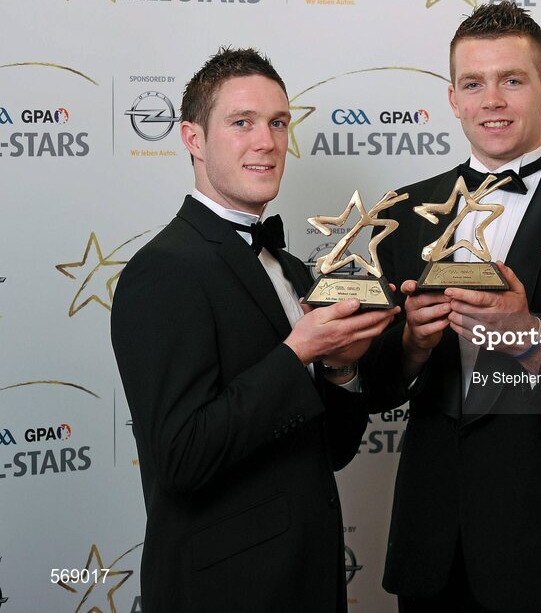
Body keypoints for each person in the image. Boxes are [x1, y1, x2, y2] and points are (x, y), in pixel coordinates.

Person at [360, 1, 541, 613]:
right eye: (475, 83)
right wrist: (413, 344)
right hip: (435, 549)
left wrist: (530, 338)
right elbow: (377, 386)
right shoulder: (402, 215)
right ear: (453, 98)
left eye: (511, 80)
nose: (492, 100)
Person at [111, 48, 397, 613]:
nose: (265, 141)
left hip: (308, 579)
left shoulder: (289, 270)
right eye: (241, 123)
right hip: (224, 589)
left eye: (278, 123)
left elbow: (329, 453)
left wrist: (340, 367)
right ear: (193, 138)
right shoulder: (163, 269)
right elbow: (179, 459)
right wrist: (297, 354)